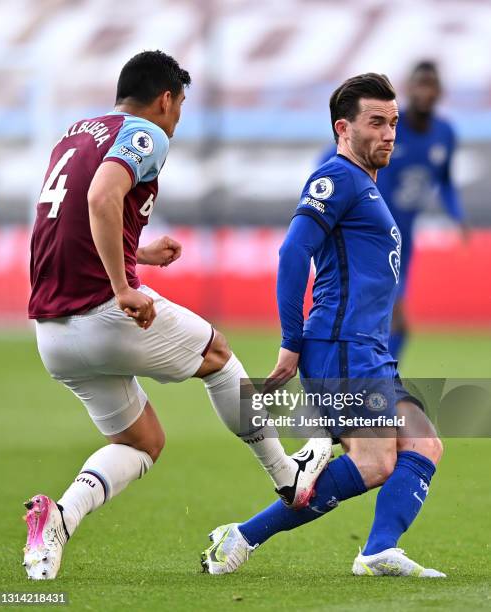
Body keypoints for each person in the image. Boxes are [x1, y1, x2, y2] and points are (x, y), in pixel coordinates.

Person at [24, 50, 331, 580]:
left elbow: (71, 216)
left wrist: (137, 254)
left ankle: (56, 524)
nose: (178, 119)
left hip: (52, 333)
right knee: (217, 354)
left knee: (142, 442)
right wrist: (123, 285)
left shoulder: (74, 133)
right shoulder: (147, 133)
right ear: (165, 99)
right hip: (102, 311)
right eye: (179, 106)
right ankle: (288, 476)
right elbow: (102, 197)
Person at [201, 73, 445, 578]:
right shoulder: (335, 178)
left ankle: (374, 547)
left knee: (423, 443)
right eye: (376, 122)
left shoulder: (367, 188)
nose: (389, 133)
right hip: (340, 345)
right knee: (376, 461)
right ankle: (245, 536)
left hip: (369, 348)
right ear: (343, 128)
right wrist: (291, 342)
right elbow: (293, 252)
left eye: (394, 123)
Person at [317, 61, 466, 361]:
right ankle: (365, 385)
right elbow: (330, 157)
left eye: (430, 85)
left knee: (387, 323)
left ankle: (355, 385)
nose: (425, 92)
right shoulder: (386, 129)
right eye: (419, 84)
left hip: (403, 240)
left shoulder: (445, 133)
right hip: (369, 236)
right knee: (391, 320)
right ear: (408, 89)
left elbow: (446, 180)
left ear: (439, 91)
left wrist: (456, 215)